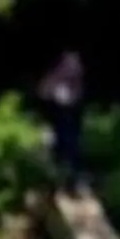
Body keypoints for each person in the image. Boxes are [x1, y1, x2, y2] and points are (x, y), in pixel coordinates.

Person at [34, 51, 88, 191]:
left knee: (69, 145)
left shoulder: (73, 74)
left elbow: (76, 94)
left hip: (68, 114)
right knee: (54, 144)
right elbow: (43, 91)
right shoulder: (53, 74)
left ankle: (70, 179)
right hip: (55, 113)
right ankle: (57, 180)